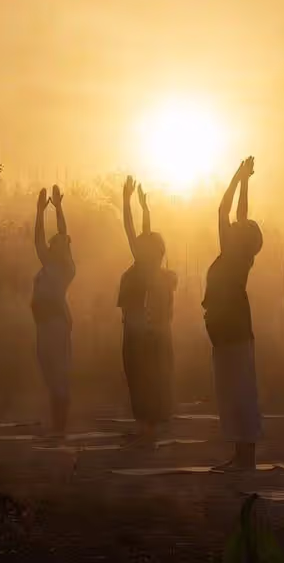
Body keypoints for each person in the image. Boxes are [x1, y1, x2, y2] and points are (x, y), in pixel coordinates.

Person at [204, 157, 265, 471]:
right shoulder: (234, 253)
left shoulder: (237, 256)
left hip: (235, 329)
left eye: (242, 228)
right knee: (230, 391)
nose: (236, 226)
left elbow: (227, 211)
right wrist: (242, 180)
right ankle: (240, 454)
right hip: (225, 330)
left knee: (241, 391)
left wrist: (239, 179)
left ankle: (246, 456)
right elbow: (234, 214)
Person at [119, 176, 178, 447]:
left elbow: (131, 230)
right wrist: (144, 208)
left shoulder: (146, 268)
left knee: (142, 378)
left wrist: (127, 201)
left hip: (140, 333)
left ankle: (147, 431)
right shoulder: (151, 268)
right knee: (144, 379)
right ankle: (146, 429)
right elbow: (141, 233)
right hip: (144, 331)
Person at [33, 185, 76, 437]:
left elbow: (61, 233)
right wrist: (40, 211)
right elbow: (40, 240)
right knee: (49, 370)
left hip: (55, 324)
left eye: (57, 244)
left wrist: (57, 209)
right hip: (44, 324)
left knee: (58, 372)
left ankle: (60, 425)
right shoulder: (49, 264)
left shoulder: (65, 267)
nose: (51, 246)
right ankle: (57, 423)